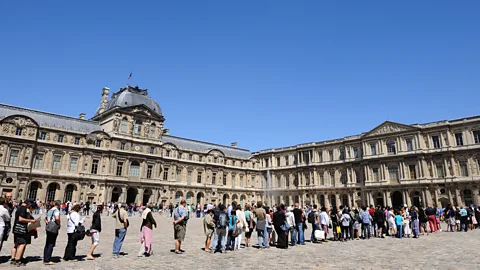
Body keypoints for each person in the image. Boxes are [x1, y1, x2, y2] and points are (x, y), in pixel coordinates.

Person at [11, 199, 38, 267]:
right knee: (22, 244)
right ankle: (18, 260)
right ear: (28, 203)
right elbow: (20, 219)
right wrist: (30, 221)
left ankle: (13, 258)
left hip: (16, 228)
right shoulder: (23, 208)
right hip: (21, 229)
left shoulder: (20, 207)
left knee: (16, 244)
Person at [43, 200, 61, 265]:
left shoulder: (50, 210)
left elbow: (45, 218)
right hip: (53, 227)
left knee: (47, 243)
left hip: (48, 227)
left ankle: (45, 257)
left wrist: (47, 222)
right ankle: (47, 259)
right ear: (59, 205)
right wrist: (59, 224)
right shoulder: (56, 210)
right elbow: (57, 218)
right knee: (51, 243)